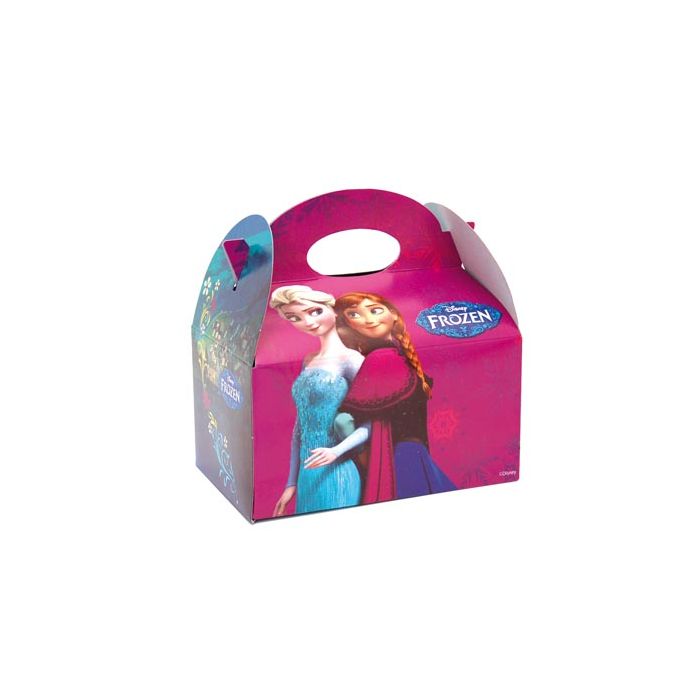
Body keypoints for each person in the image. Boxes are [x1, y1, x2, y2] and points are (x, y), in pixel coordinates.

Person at [334, 292, 456, 503]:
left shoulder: (380, 359)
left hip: (397, 462)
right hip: (417, 455)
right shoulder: (403, 356)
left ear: (393, 314)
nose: (369, 319)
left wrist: (364, 458)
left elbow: (344, 421)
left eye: (375, 310)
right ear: (349, 326)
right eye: (354, 314)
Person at [269, 285, 369, 516]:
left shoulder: (351, 360)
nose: (308, 322)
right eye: (295, 318)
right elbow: (300, 427)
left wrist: (337, 450)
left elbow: (374, 421)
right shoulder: (309, 361)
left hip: (338, 469)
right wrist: (291, 483)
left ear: (333, 310)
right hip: (307, 474)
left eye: (315, 311)